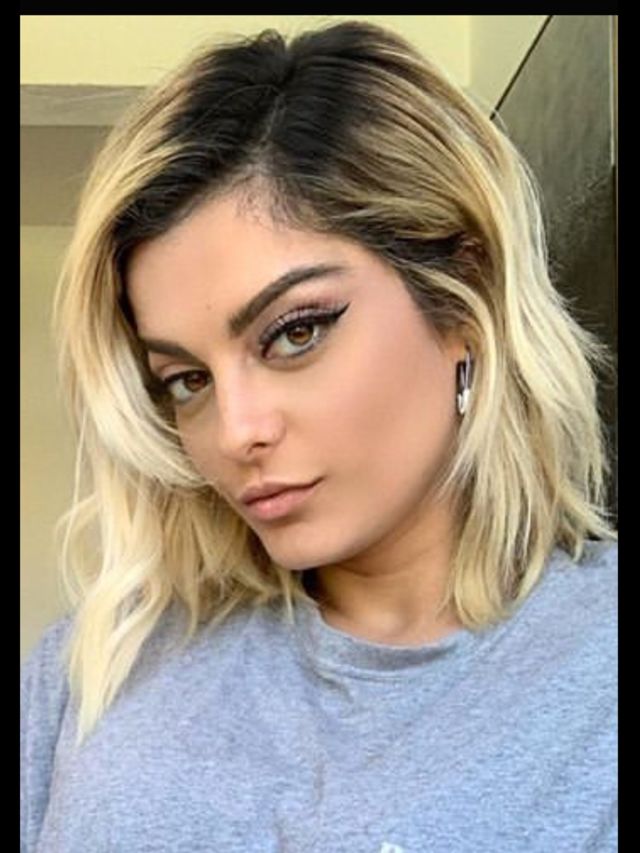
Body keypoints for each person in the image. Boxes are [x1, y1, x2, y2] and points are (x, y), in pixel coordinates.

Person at [21, 19, 617, 853]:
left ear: (465, 293)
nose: (237, 431)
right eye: (186, 379)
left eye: (295, 333)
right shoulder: (96, 665)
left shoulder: (595, 675)